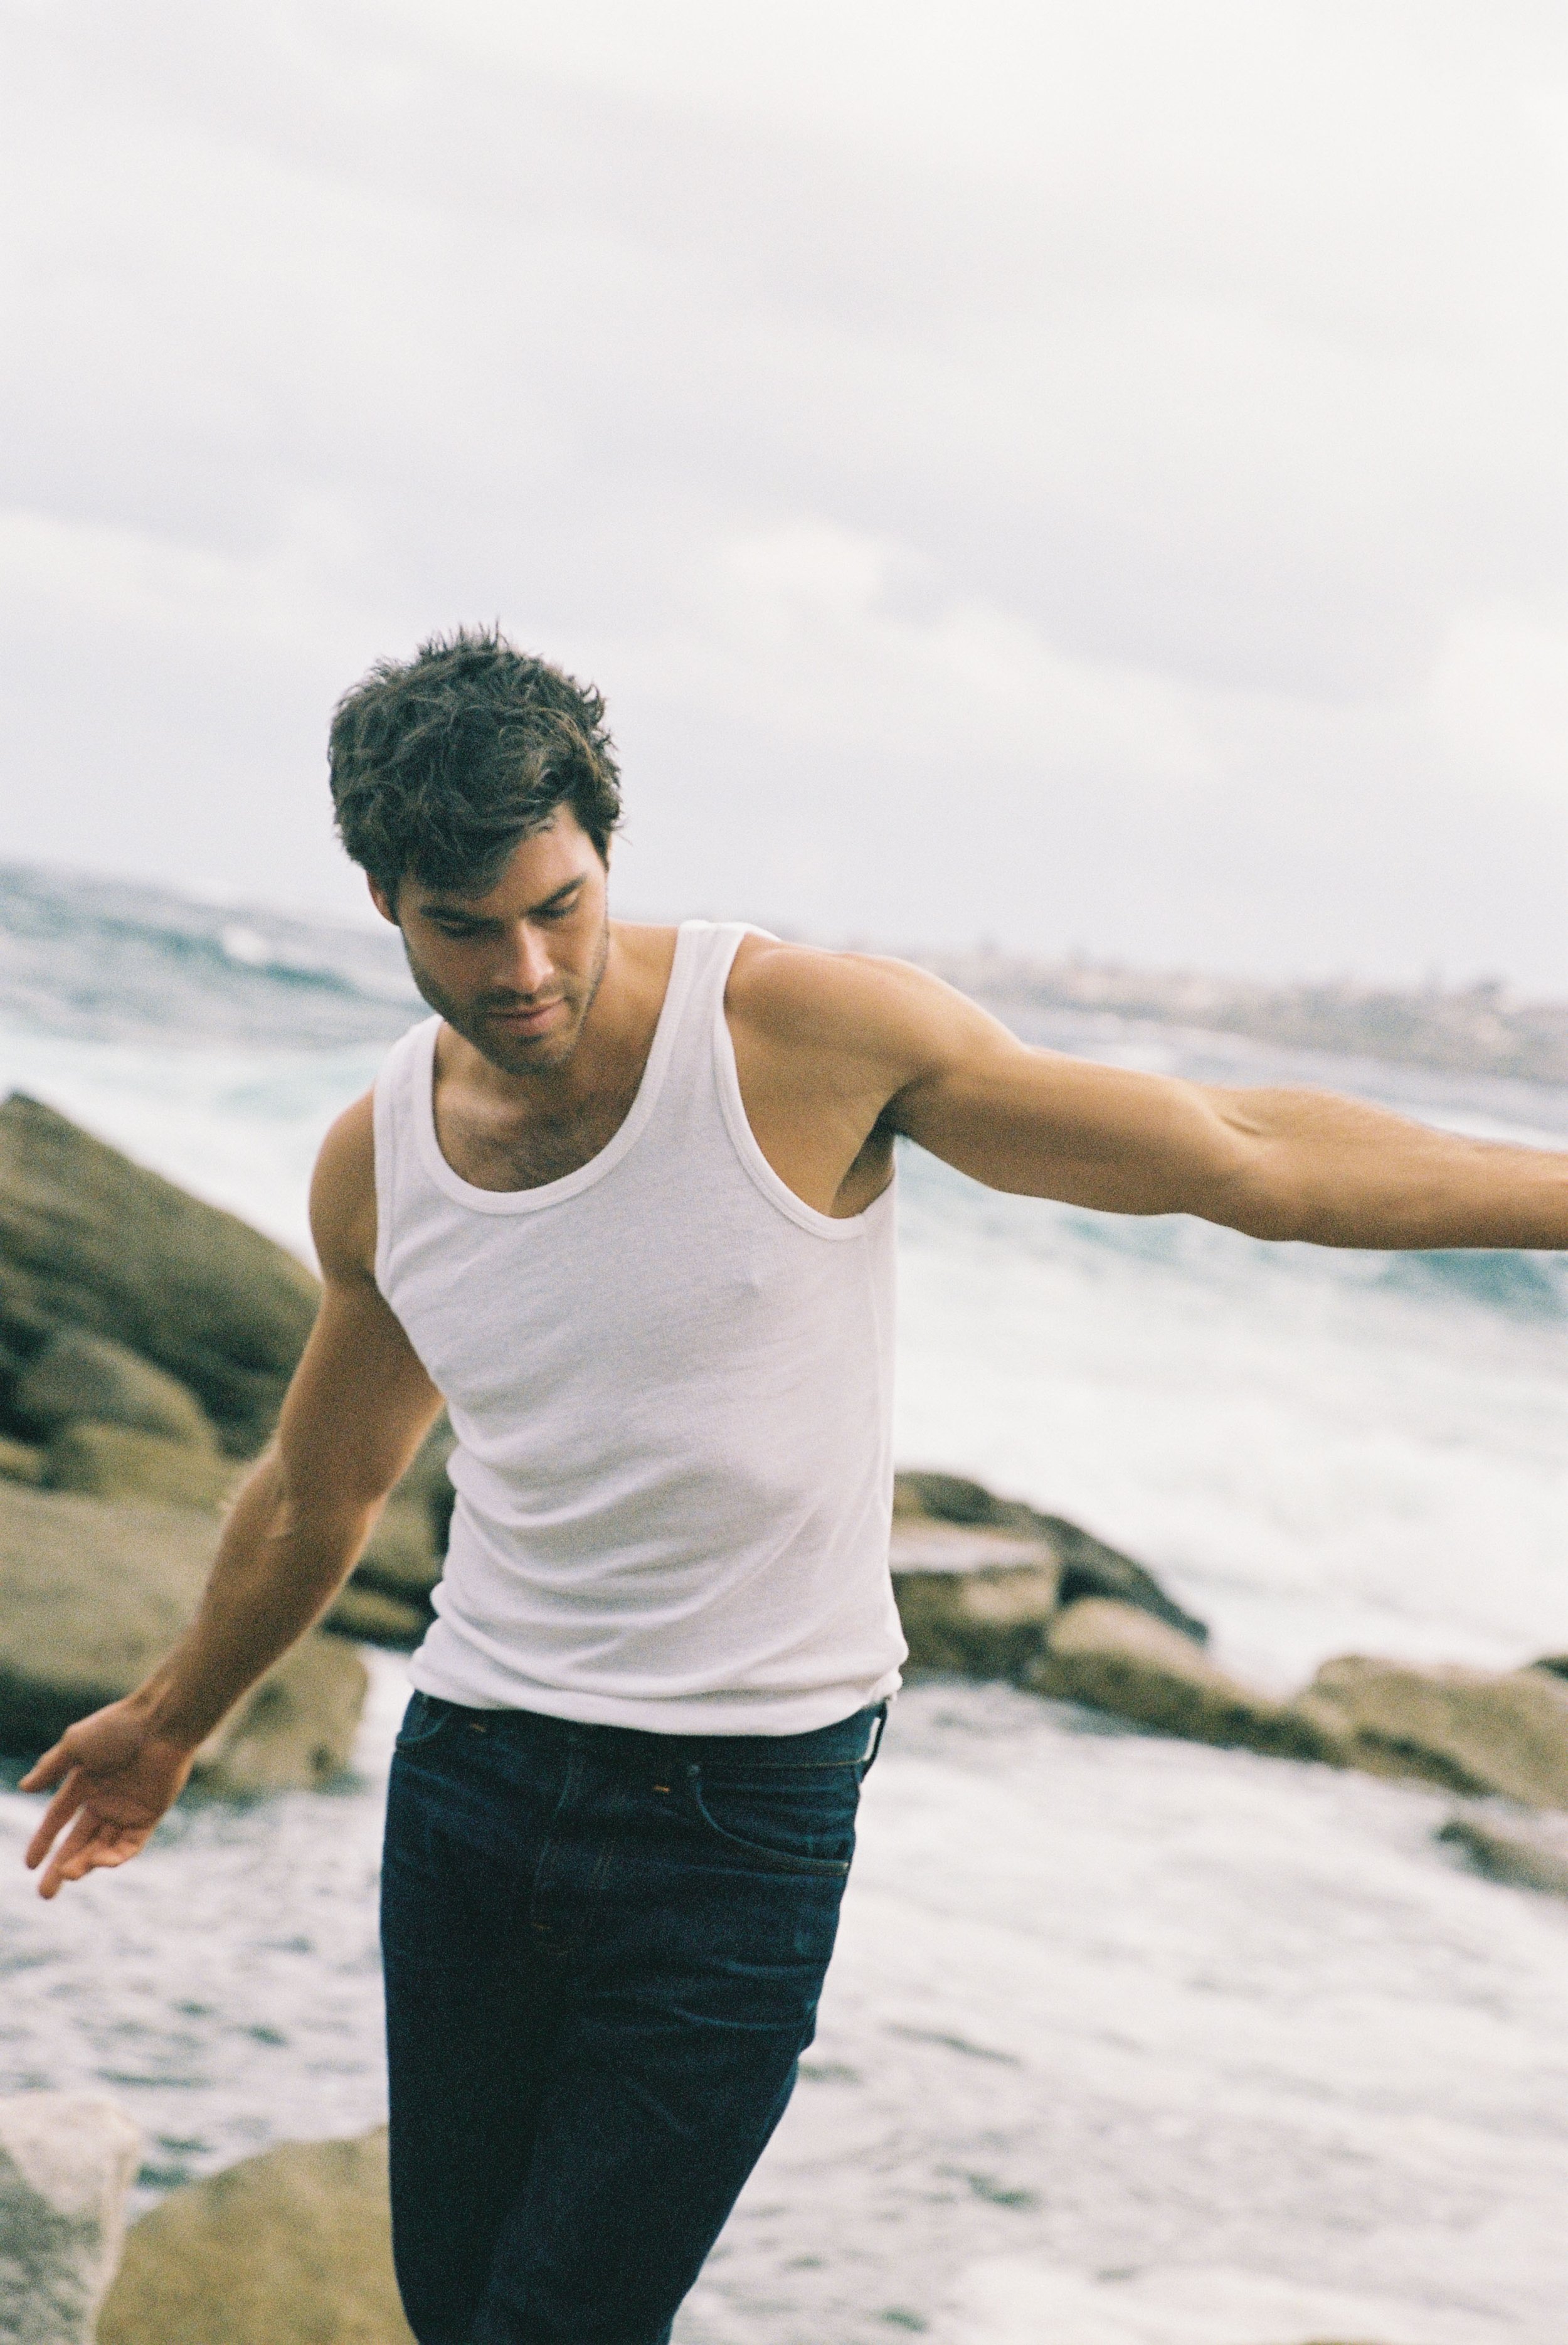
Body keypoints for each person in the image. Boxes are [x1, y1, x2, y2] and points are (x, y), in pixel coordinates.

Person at [21, 627, 1568, 2344]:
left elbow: (1242, 1156)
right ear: (383, 898)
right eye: (465, 928)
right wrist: (171, 1717)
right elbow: (320, 1497)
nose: (525, 967)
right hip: (476, 1782)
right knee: (457, 2311)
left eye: (562, 905)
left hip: (740, 1818)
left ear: (607, 854)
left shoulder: (800, 1037)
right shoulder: (377, 1159)